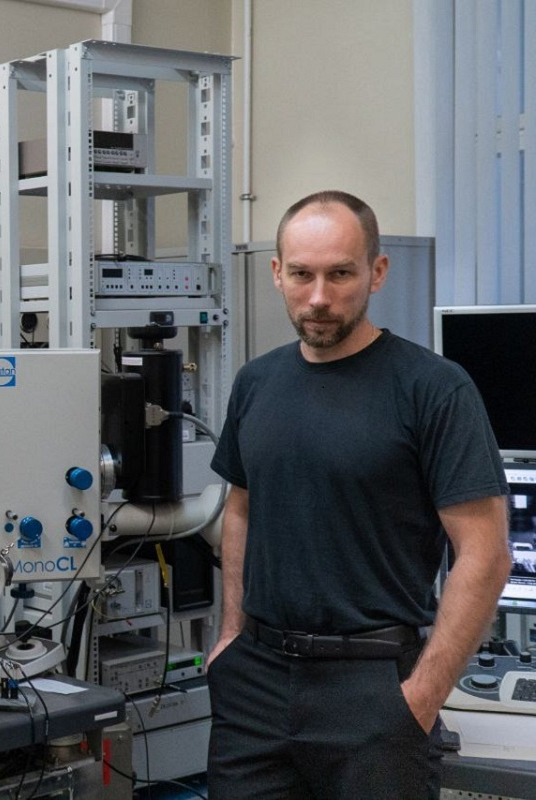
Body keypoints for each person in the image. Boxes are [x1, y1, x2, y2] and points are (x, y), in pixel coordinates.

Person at [205, 190, 511, 799]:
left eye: (340, 273)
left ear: (376, 271)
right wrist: (230, 636)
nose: (318, 297)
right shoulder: (256, 383)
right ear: (277, 273)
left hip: (374, 688)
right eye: (302, 274)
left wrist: (419, 700)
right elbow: (240, 509)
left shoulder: (434, 389)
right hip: (256, 690)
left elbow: (486, 555)